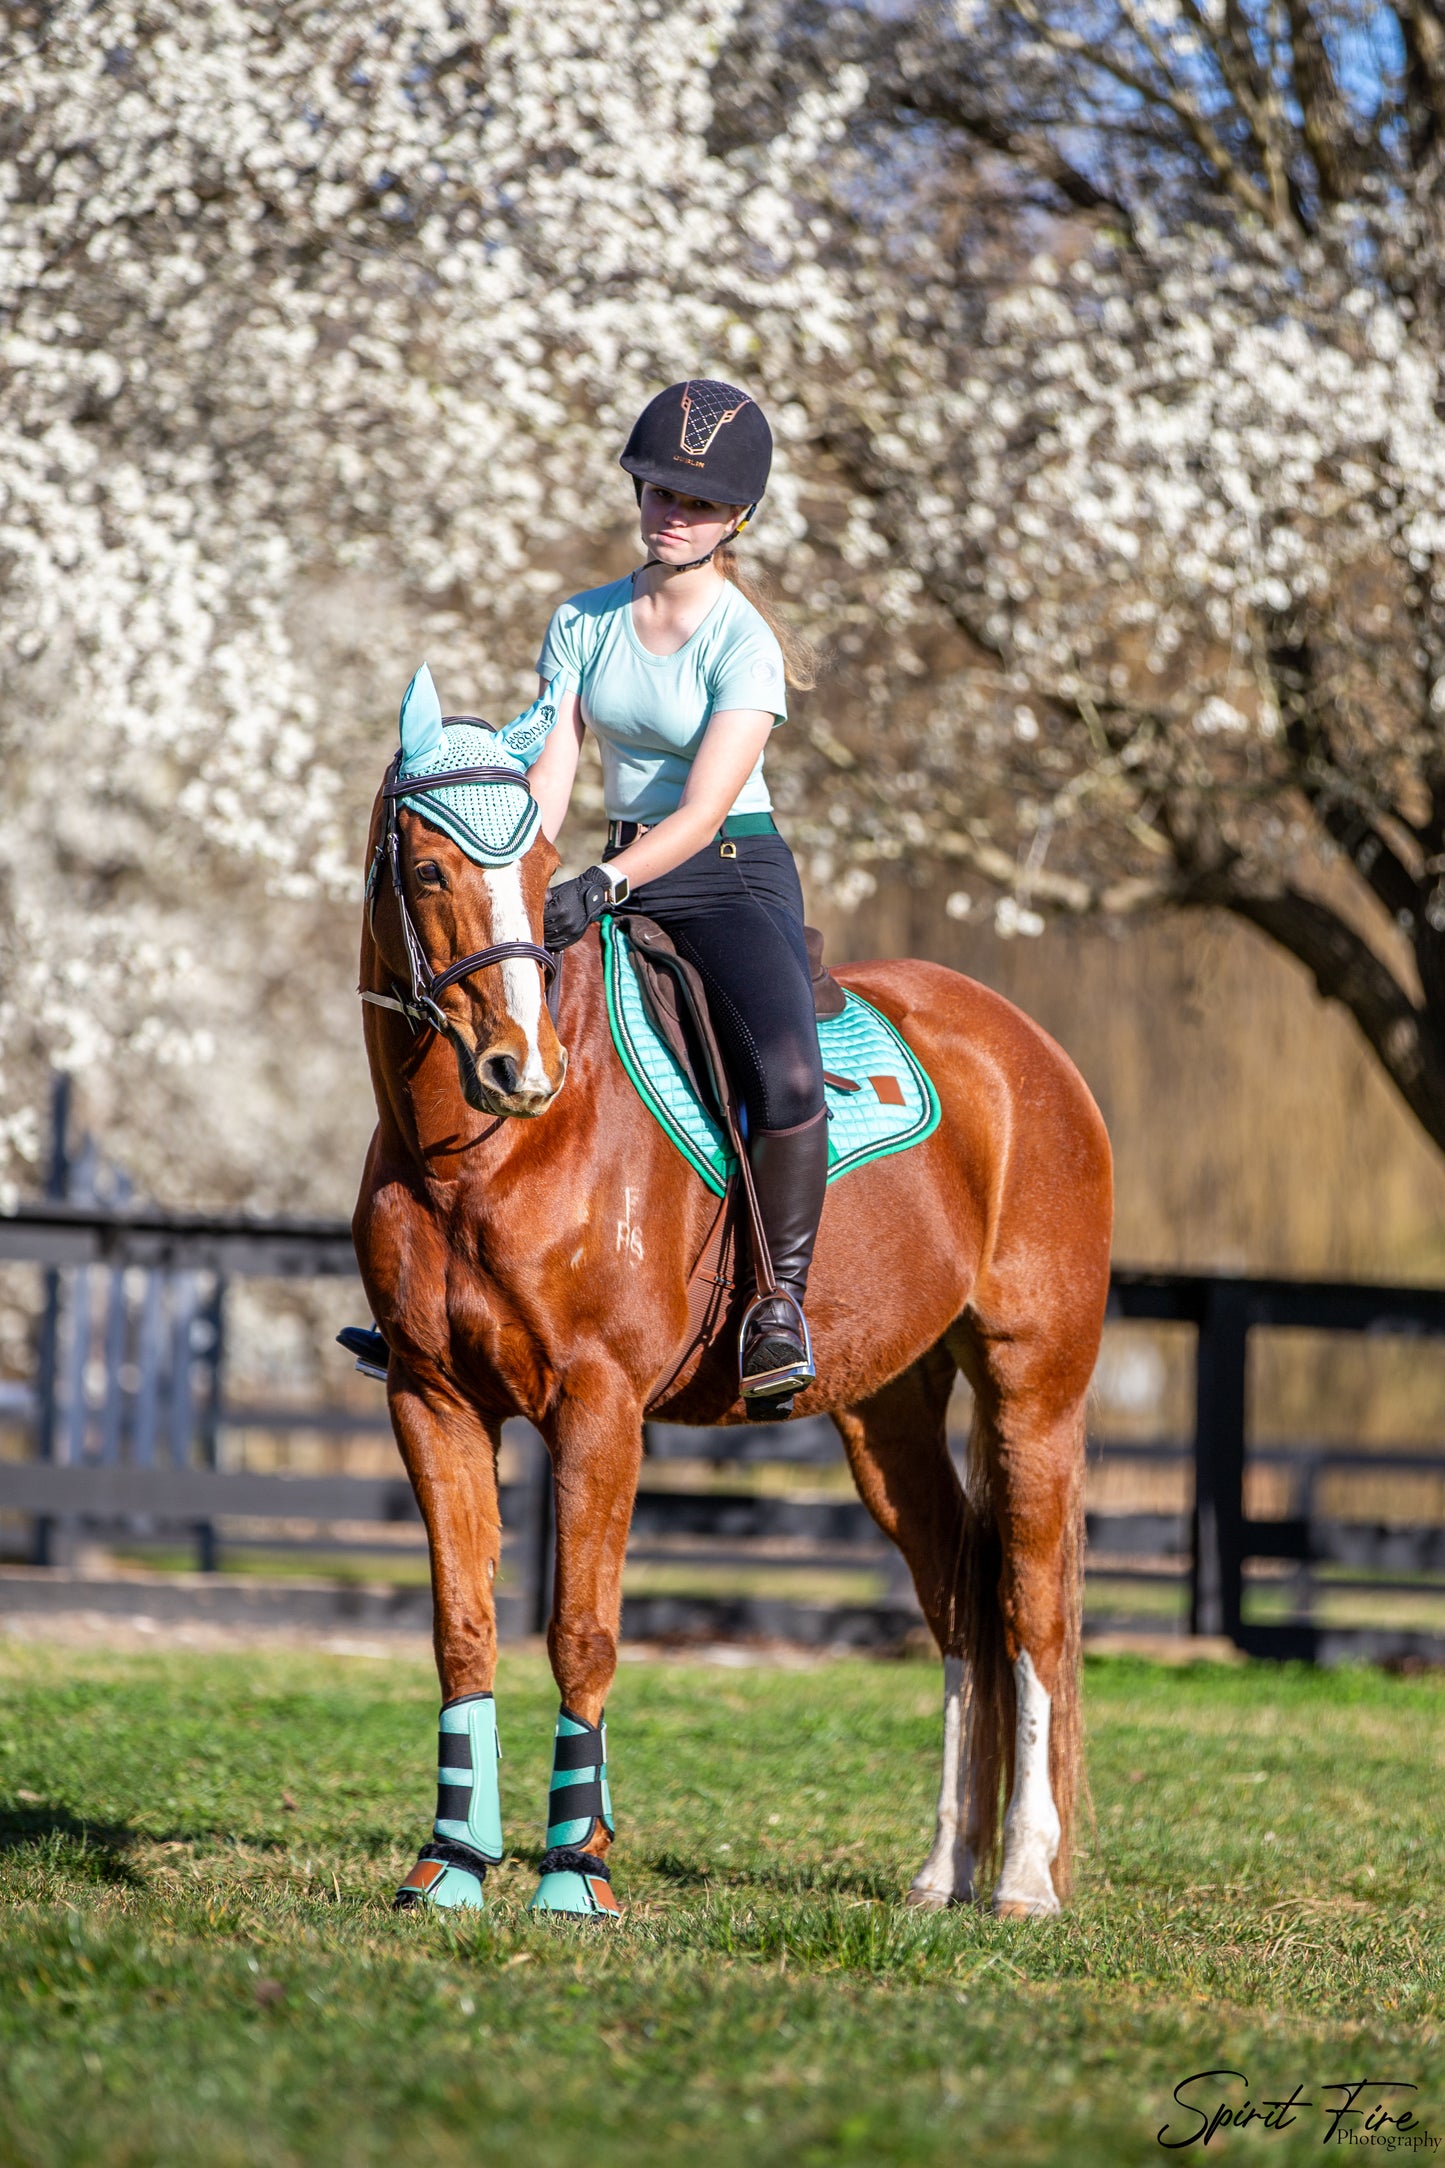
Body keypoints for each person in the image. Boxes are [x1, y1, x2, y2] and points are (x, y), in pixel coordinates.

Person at [531, 378, 826, 1407]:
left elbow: (701, 811)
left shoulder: (742, 641)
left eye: (694, 502)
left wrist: (602, 881)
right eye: (656, 489)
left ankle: (778, 1303)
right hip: (610, 866)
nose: (670, 511)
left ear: (734, 517)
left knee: (787, 1074)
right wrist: (523, 866)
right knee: (479, 1007)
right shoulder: (581, 621)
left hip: (725, 875)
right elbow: (553, 767)